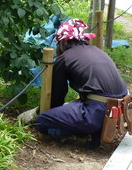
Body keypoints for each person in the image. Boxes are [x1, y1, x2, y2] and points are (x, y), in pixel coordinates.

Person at [18, 19, 129, 147]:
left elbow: (56, 99)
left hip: (98, 111)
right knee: (79, 105)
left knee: (42, 122)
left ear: (64, 41)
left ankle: (71, 133)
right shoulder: (96, 50)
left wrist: (38, 112)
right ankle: (92, 131)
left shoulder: (64, 58)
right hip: (120, 110)